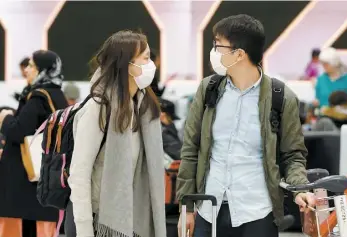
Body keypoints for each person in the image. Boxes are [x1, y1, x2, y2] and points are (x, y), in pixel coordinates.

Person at [176, 14, 315, 237]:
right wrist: (186, 207)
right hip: (208, 208)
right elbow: (190, 150)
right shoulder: (208, 89)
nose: (213, 52)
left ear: (239, 54)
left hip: (257, 211)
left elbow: (293, 155)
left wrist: (300, 188)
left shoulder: (281, 97)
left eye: (218, 46)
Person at [66, 30, 166, 237]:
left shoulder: (143, 107)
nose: (151, 65)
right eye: (146, 59)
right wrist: (84, 229)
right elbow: (79, 174)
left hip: (133, 220)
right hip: (97, 220)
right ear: (128, 64)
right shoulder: (98, 108)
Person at [0, 50, 68, 237]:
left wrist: (5, 118)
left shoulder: (38, 96)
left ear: (42, 70)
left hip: (26, 180)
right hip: (44, 177)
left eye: (31, 66)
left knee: (22, 228)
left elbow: (18, 131)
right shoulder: (56, 94)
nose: (27, 70)